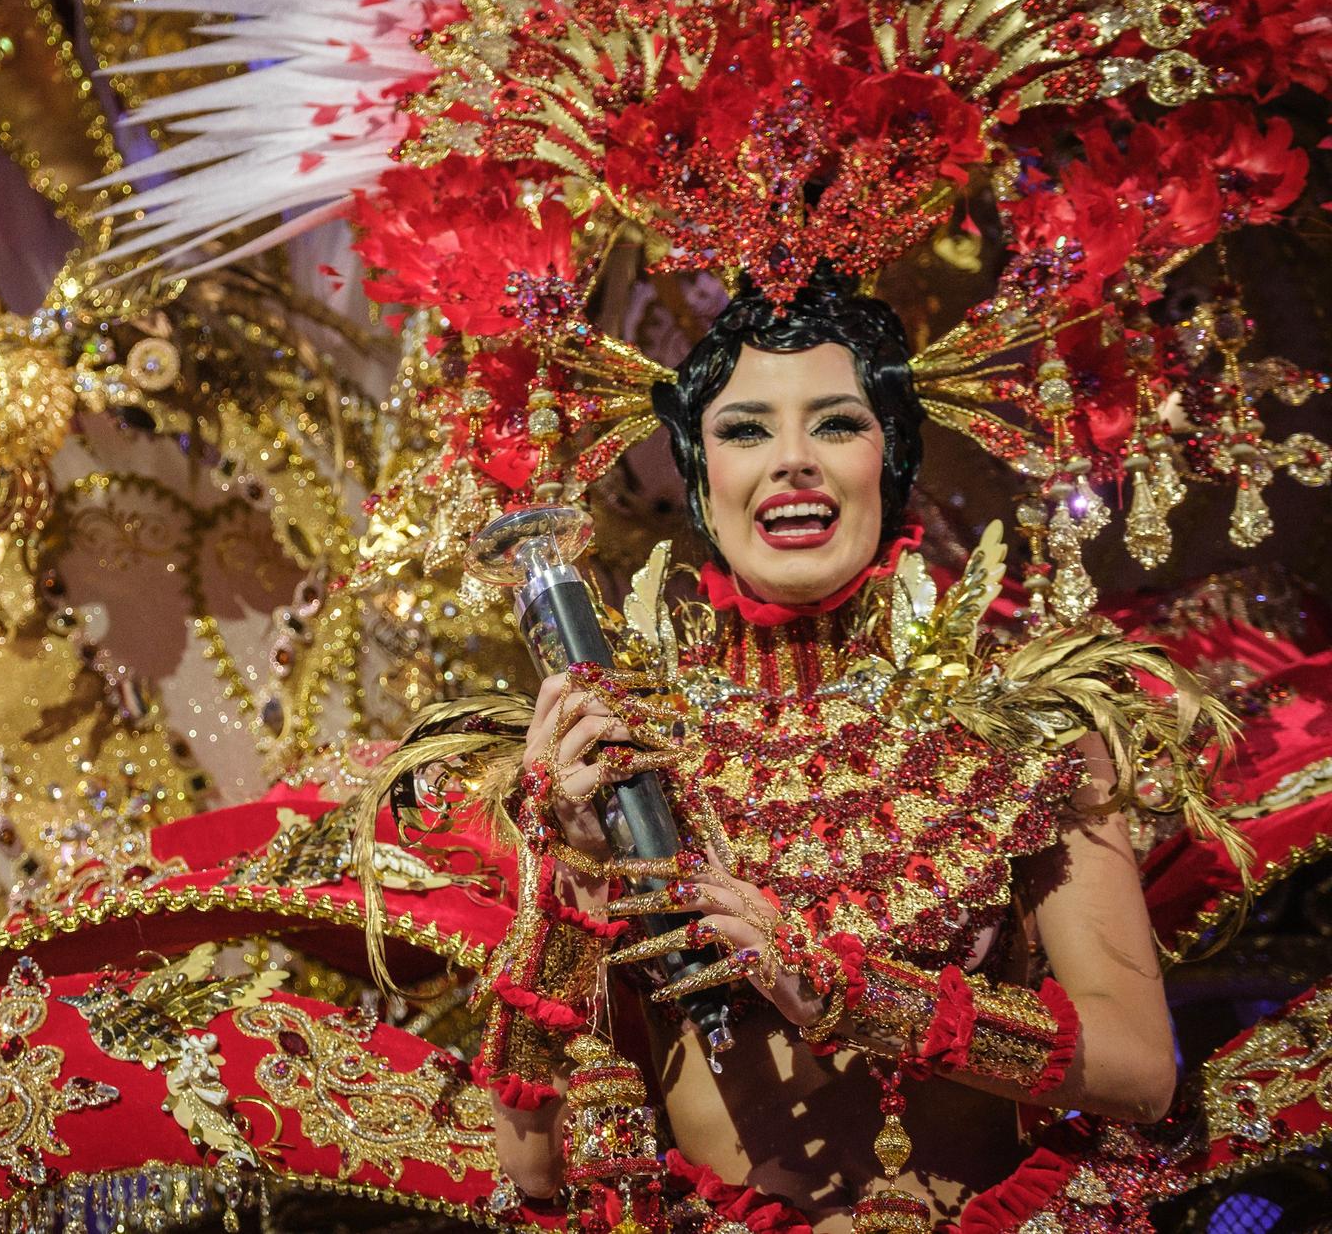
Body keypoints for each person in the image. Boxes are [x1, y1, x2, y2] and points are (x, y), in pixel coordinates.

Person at [435, 268, 1219, 1232]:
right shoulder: (602, 757)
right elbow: (536, 1167)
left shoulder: (1031, 727)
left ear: (889, 461)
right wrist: (574, 871)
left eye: (838, 424)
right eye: (745, 429)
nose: (793, 460)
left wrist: (854, 994)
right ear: (698, 473)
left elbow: (1141, 1073)